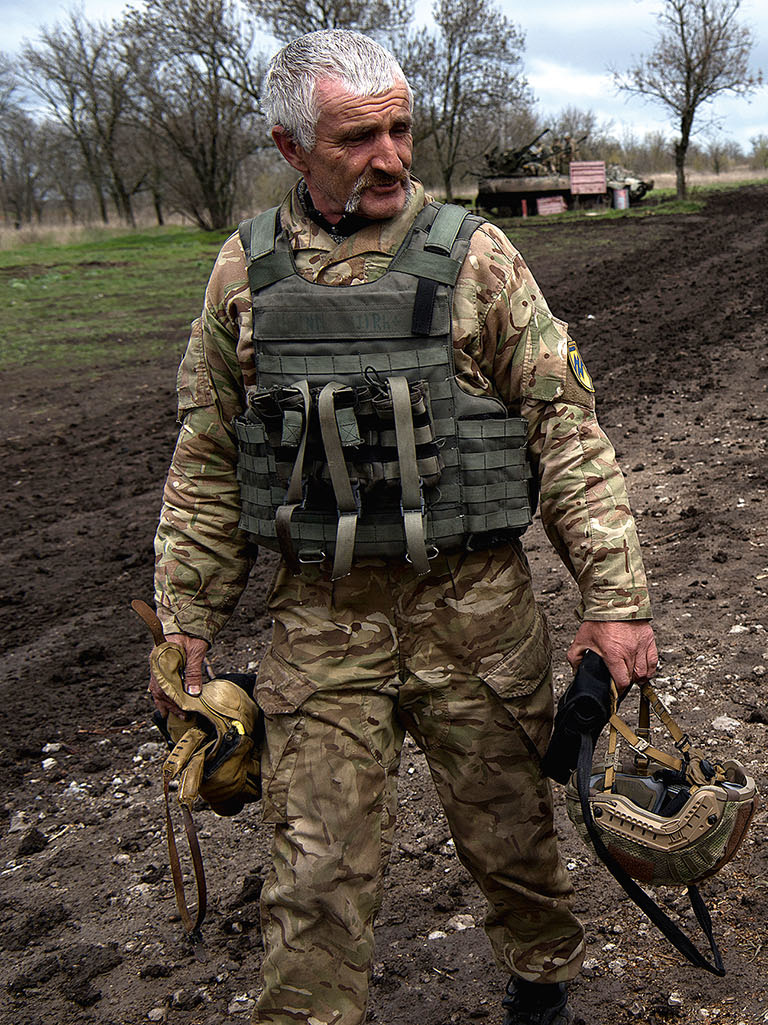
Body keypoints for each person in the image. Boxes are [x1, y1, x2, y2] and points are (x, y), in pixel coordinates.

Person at [148, 30, 657, 1025]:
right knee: (313, 871)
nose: (391, 156)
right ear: (291, 149)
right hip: (321, 623)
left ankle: (541, 989)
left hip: (475, 611)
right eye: (358, 137)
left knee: (513, 835)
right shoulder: (242, 276)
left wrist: (616, 600)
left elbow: (567, 429)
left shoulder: (478, 255)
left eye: (401, 127)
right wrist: (184, 624)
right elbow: (208, 457)